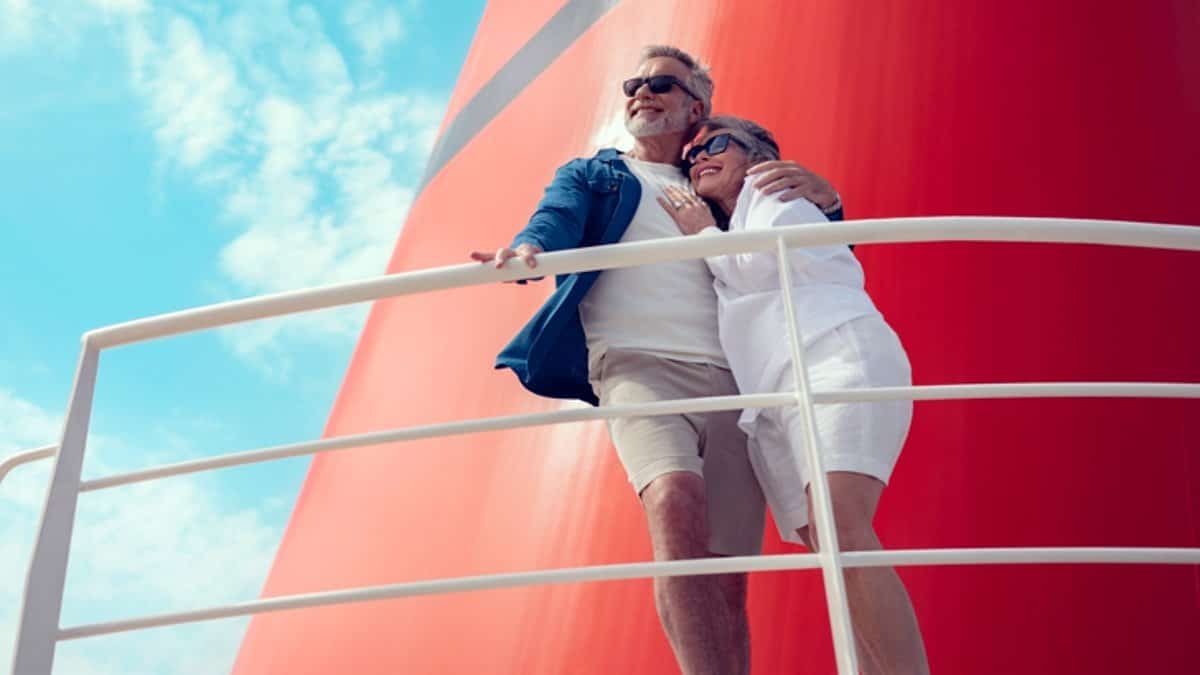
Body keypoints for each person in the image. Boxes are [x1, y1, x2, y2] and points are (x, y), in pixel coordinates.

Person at [471, 46, 843, 675]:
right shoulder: (599, 174)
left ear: (696, 107)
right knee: (672, 499)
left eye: (662, 84)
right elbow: (556, 216)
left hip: (733, 378)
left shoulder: (715, 185)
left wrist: (829, 202)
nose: (641, 92)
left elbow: (807, 250)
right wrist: (531, 245)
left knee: (726, 574)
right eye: (633, 84)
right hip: (637, 366)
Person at [658, 115, 929, 675]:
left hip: (832, 355)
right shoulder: (733, 226)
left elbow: (763, 265)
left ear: (756, 154)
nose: (700, 157)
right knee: (829, 545)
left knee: (841, 527)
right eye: (692, 156)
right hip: (781, 389)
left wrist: (701, 233)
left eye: (716, 144)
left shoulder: (773, 188)